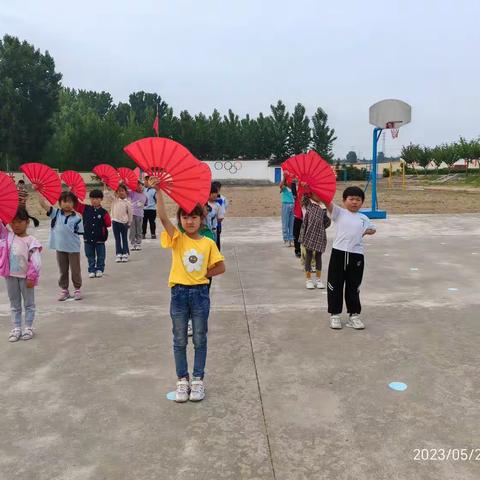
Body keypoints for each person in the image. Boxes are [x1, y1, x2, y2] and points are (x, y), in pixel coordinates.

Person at [151, 177, 225, 403]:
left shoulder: (208, 242)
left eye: (194, 216)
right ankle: (182, 380)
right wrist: (158, 191)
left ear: (202, 218)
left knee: (200, 338)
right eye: (185, 217)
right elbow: (162, 217)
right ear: (180, 220)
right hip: (179, 294)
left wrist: (204, 275)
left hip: (200, 294)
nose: (189, 221)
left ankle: (198, 380)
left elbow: (220, 266)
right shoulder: (177, 238)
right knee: (179, 338)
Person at [326, 186, 376, 330]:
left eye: (358, 199)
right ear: (344, 200)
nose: (354, 202)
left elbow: (373, 228)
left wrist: (367, 231)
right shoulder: (339, 212)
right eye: (351, 199)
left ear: (362, 202)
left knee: (354, 286)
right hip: (338, 254)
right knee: (335, 284)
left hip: (357, 255)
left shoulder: (364, 217)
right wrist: (312, 191)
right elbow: (325, 201)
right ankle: (334, 314)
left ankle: (354, 315)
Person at [0, 208, 42, 342]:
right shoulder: (8, 236)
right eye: (13, 222)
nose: (16, 225)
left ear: (27, 222)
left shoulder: (31, 240)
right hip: (10, 276)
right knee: (14, 303)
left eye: (19, 222)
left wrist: (32, 277)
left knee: (29, 304)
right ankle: (17, 327)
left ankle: (28, 327)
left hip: (26, 278)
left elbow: (36, 262)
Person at [39, 192, 84, 301]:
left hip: (73, 249)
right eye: (64, 201)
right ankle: (65, 290)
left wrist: (81, 217)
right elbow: (43, 205)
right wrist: (39, 192)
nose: (67, 204)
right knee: (63, 270)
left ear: (74, 204)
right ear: (60, 203)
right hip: (60, 248)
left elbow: (81, 232)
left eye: (70, 202)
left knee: (75, 270)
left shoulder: (77, 217)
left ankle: (77, 289)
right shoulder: (56, 213)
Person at [76, 190, 111, 278]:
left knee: (101, 255)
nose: (94, 200)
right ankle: (91, 269)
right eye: (92, 198)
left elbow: (108, 224)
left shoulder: (104, 212)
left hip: (100, 238)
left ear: (101, 199)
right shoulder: (85, 208)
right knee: (90, 255)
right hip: (88, 237)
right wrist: (74, 192)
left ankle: (99, 269)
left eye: (96, 198)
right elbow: (76, 205)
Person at [299, 192, 331, 289]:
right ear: (311, 194)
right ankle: (308, 280)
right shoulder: (308, 204)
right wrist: (306, 187)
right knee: (308, 256)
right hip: (309, 234)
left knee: (318, 256)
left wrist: (326, 219)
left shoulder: (323, 207)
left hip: (320, 234)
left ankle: (318, 279)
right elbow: (303, 197)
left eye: (320, 194)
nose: (319, 196)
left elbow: (326, 223)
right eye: (317, 194)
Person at [111, 184, 132, 263]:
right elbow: (106, 194)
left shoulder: (128, 202)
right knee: (117, 239)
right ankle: (118, 253)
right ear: (116, 192)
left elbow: (130, 213)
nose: (121, 192)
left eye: (122, 191)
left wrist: (129, 222)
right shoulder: (114, 200)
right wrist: (105, 184)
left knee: (124, 239)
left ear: (125, 192)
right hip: (115, 222)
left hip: (124, 223)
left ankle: (125, 253)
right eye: (119, 191)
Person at [128, 181, 147, 251]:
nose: (139, 187)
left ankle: (138, 243)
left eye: (141, 185)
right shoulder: (132, 192)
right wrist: (123, 183)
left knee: (139, 229)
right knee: (132, 229)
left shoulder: (144, 196)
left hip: (140, 215)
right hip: (132, 214)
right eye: (137, 185)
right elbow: (125, 192)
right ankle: (132, 243)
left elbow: (145, 204)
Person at [211, 181, 228, 251]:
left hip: (216, 226)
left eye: (217, 191)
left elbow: (222, 214)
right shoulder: (205, 202)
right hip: (209, 227)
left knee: (216, 240)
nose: (215, 194)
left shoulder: (221, 200)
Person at [279, 176, 295, 247]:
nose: (290, 182)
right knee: (285, 222)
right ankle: (286, 239)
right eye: (288, 180)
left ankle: (291, 239)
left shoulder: (293, 188)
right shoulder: (284, 188)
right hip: (285, 205)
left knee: (292, 223)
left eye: (291, 180)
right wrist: (284, 177)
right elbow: (280, 186)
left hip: (293, 206)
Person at [291, 180, 306, 258]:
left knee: (306, 234)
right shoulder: (295, 183)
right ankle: (297, 250)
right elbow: (292, 185)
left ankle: (306, 251)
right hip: (298, 213)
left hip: (307, 214)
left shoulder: (309, 185)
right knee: (296, 233)